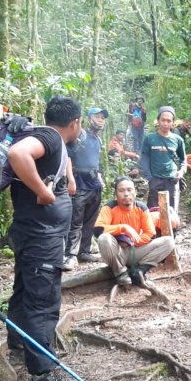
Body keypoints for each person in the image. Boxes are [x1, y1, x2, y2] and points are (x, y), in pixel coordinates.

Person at [5, 95, 83, 381]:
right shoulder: (49, 137)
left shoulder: (48, 140)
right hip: (41, 239)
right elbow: (17, 153)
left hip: (32, 234)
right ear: (75, 122)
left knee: (25, 290)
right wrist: (44, 192)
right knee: (43, 302)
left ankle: (18, 346)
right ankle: (42, 378)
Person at [94, 177, 175, 287]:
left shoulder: (141, 208)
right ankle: (120, 273)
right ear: (116, 194)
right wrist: (123, 228)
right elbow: (98, 230)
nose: (126, 194)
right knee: (104, 238)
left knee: (169, 242)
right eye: (121, 191)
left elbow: (150, 234)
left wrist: (131, 242)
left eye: (129, 190)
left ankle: (139, 271)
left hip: (135, 250)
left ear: (135, 193)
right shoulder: (109, 207)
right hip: (116, 252)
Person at [62, 107, 107, 271]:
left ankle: (84, 251)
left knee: (90, 221)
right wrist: (70, 180)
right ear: (89, 119)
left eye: (102, 117)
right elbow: (68, 157)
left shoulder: (98, 139)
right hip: (80, 184)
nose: (100, 120)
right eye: (97, 116)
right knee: (75, 221)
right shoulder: (80, 135)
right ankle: (70, 255)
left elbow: (95, 162)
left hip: (94, 185)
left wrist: (100, 178)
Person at [141, 106, 187, 209]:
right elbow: (144, 158)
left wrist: (181, 172)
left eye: (169, 121)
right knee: (153, 211)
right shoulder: (149, 139)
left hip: (172, 180)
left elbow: (183, 160)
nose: (165, 123)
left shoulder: (178, 140)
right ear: (158, 121)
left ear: (173, 123)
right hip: (155, 179)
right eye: (163, 120)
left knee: (171, 211)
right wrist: (149, 177)